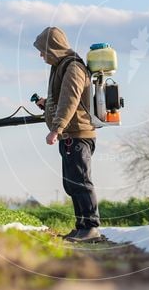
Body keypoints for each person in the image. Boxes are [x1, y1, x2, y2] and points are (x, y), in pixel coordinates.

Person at [33, 26, 102, 243]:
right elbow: (61, 99)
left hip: (77, 134)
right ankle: (82, 227)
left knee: (81, 181)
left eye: (43, 50)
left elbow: (70, 100)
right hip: (69, 134)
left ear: (53, 47)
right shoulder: (61, 66)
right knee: (72, 183)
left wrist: (57, 129)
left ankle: (91, 227)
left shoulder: (73, 67)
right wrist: (47, 105)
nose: (41, 55)